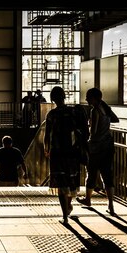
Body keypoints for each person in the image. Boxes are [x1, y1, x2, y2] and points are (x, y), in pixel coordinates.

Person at [43, 86, 85, 225]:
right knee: (71, 180)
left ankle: (65, 216)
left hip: (57, 152)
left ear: (52, 99)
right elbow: (81, 130)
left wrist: (46, 149)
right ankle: (68, 206)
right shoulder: (73, 111)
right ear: (64, 96)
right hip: (72, 152)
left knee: (61, 183)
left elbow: (47, 135)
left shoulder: (51, 115)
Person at [76, 87, 120, 215]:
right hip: (107, 146)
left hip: (96, 148)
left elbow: (93, 132)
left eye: (88, 97)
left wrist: (86, 133)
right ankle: (111, 205)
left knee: (91, 173)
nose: (86, 99)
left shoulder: (95, 111)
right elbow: (116, 119)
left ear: (94, 98)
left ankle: (88, 200)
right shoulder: (105, 109)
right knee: (107, 175)